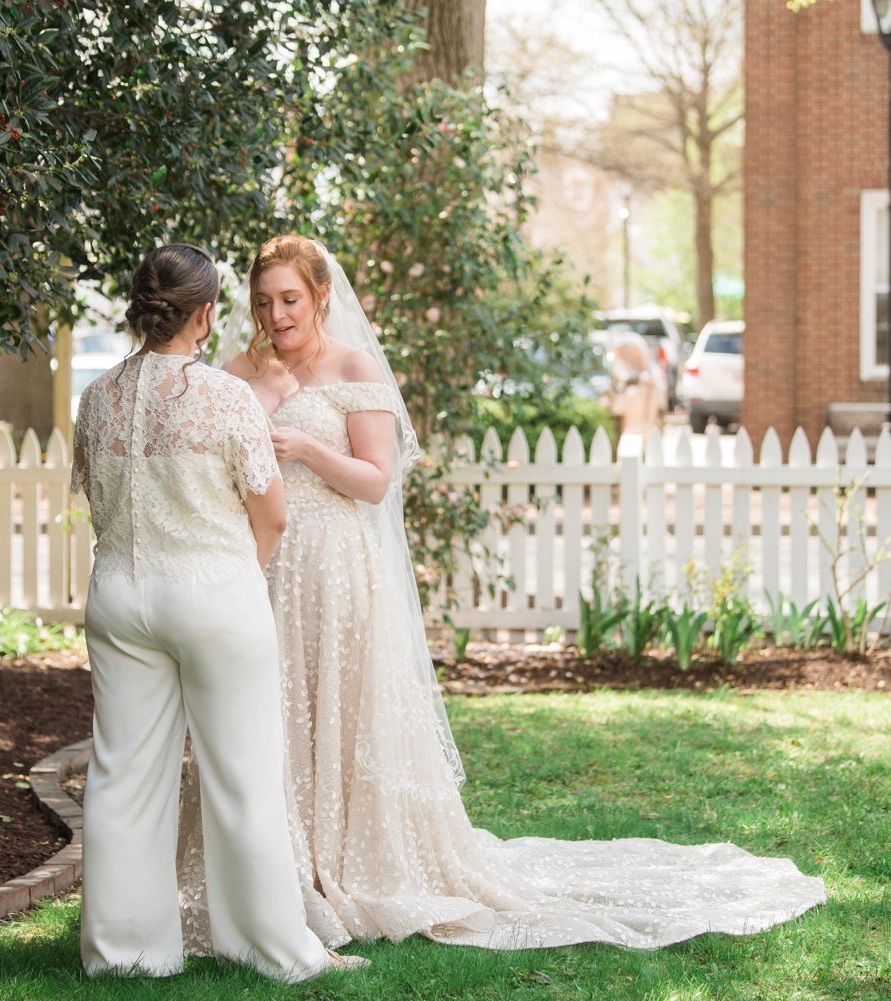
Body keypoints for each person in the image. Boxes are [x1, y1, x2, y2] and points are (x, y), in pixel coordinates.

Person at [176, 235, 826, 954]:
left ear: (320, 296)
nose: (276, 314)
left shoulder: (353, 368)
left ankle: (344, 861)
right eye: (263, 301)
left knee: (338, 709)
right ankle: (271, 867)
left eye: (289, 299)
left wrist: (308, 450)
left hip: (335, 566)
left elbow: (375, 480)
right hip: (264, 569)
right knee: (268, 712)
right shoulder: (237, 372)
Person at [73, 243, 362, 981]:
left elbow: (98, 502)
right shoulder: (224, 396)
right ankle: (272, 947)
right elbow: (272, 514)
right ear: (204, 314)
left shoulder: (97, 395)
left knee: (123, 775)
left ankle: (124, 954)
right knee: (243, 776)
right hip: (212, 593)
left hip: (118, 597)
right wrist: (237, 577)